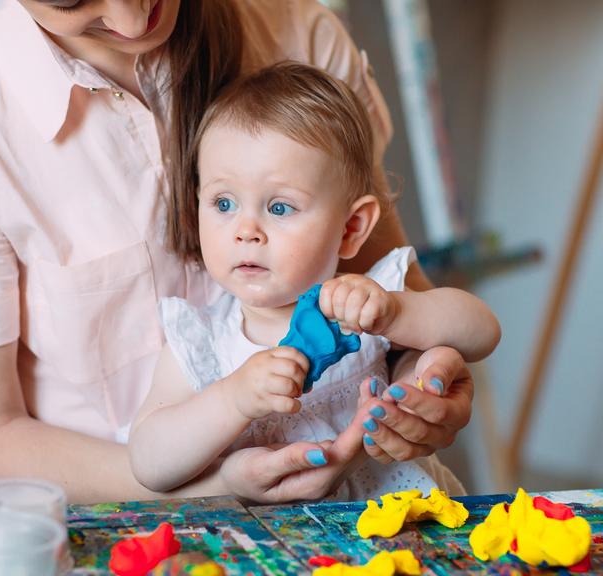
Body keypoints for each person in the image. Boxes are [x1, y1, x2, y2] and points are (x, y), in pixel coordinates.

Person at [0, 0, 477, 507]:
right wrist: (216, 485)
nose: (133, 18)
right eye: (71, 0)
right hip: (94, 527)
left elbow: (400, 300)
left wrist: (419, 385)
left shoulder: (300, 34)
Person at [128, 63, 500, 500]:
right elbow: (148, 462)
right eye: (223, 202)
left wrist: (398, 311)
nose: (246, 230)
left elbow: (483, 331)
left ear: (351, 229)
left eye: (280, 208)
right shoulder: (203, 341)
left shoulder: (365, 304)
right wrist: (233, 400)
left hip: (392, 524)